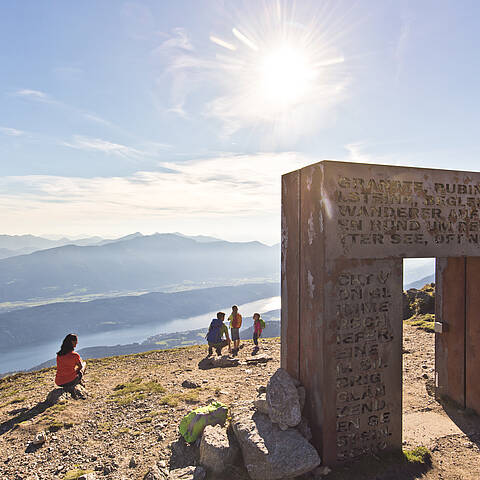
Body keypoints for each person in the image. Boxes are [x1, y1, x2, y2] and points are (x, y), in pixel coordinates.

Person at [55, 333, 86, 399]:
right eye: (76, 341)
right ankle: (78, 383)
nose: (77, 343)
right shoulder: (75, 355)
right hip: (70, 381)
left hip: (59, 382)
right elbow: (80, 367)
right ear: (72, 342)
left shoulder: (59, 355)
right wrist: (76, 371)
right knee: (84, 364)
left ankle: (76, 383)